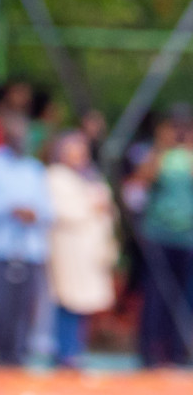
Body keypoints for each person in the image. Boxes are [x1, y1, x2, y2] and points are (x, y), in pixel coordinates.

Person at [0, 111, 53, 366]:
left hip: (31, 249)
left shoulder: (34, 169)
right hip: (2, 247)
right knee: (1, 305)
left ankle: (20, 356)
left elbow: (49, 209)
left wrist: (34, 214)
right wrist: (13, 209)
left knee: (27, 306)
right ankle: (1, 356)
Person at [127, 109, 193, 368]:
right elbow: (139, 183)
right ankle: (150, 352)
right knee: (155, 296)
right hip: (158, 236)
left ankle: (177, 352)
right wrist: (161, 147)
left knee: (184, 298)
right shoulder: (153, 154)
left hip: (187, 238)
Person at [46, 131, 117, 370]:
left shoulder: (91, 177)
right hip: (68, 248)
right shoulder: (55, 177)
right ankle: (63, 351)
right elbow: (62, 211)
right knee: (66, 301)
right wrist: (92, 206)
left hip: (90, 250)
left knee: (85, 303)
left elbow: (107, 209)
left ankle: (77, 350)